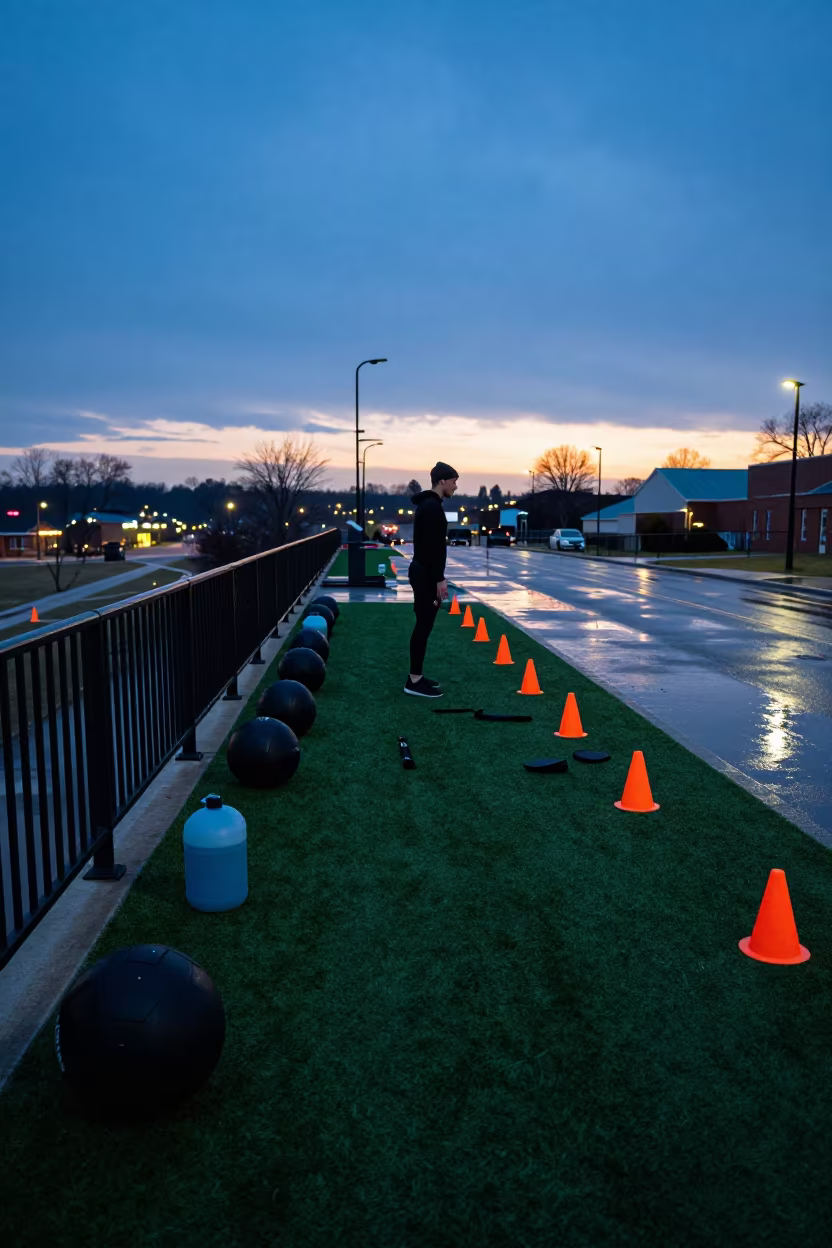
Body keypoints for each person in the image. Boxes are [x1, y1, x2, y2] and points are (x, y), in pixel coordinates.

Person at [404, 462, 459, 698]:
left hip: (424, 572)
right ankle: (414, 681)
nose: (456, 486)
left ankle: (416, 676)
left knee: (424, 624)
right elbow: (432, 548)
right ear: (443, 481)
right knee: (423, 625)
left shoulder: (431, 505)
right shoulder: (431, 508)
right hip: (426, 574)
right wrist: (439, 579)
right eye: (454, 481)